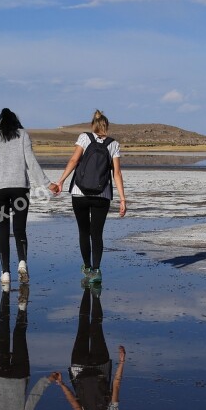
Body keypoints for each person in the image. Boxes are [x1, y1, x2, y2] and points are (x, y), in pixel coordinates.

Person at [0, 108, 59, 286]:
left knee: (2, 231)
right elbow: (30, 161)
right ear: (16, 121)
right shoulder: (22, 134)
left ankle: (5, 273)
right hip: (20, 188)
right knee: (19, 229)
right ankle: (22, 262)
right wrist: (47, 184)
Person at [55, 110, 126, 285]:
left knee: (84, 232)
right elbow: (116, 173)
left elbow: (73, 161)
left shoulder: (84, 138)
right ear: (106, 127)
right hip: (102, 195)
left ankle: (87, 268)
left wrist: (61, 181)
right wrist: (122, 199)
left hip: (80, 193)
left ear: (92, 125)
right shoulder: (113, 144)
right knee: (97, 234)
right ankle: (96, 270)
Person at [51, 286, 125, 410]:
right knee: (83, 325)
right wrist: (61, 383)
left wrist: (122, 362)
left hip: (100, 366)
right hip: (79, 368)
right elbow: (73, 401)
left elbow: (116, 385)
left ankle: (95, 292)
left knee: (96, 324)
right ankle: (86, 289)